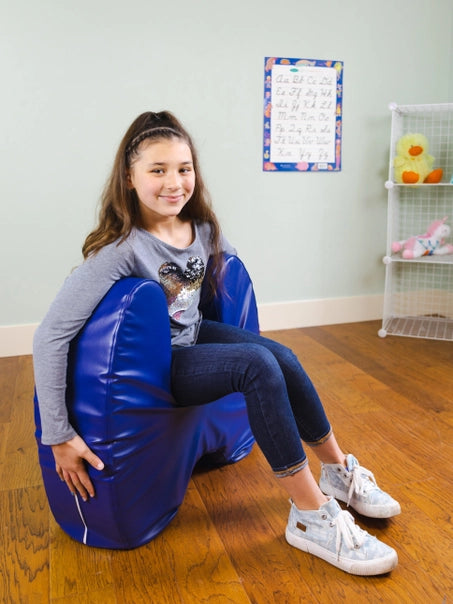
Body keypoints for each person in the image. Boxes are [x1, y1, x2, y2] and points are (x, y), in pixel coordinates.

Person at [33, 110, 400, 576]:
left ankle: (338, 470)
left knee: (281, 356)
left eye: (183, 169)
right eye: (158, 170)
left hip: (191, 335)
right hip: (158, 364)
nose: (174, 182)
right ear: (130, 178)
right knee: (256, 365)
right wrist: (58, 434)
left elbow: (218, 287)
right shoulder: (121, 250)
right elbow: (50, 336)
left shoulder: (202, 230)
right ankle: (311, 515)